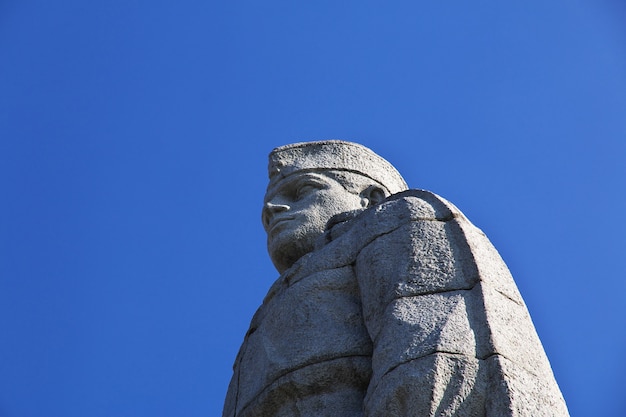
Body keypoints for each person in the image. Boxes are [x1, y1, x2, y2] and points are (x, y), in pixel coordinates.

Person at [223, 140, 568, 417]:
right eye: (268, 206)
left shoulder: (396, 220)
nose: (272, 210)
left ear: (370, 196)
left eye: (301, 191)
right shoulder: (265, 311)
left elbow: (435, 345)